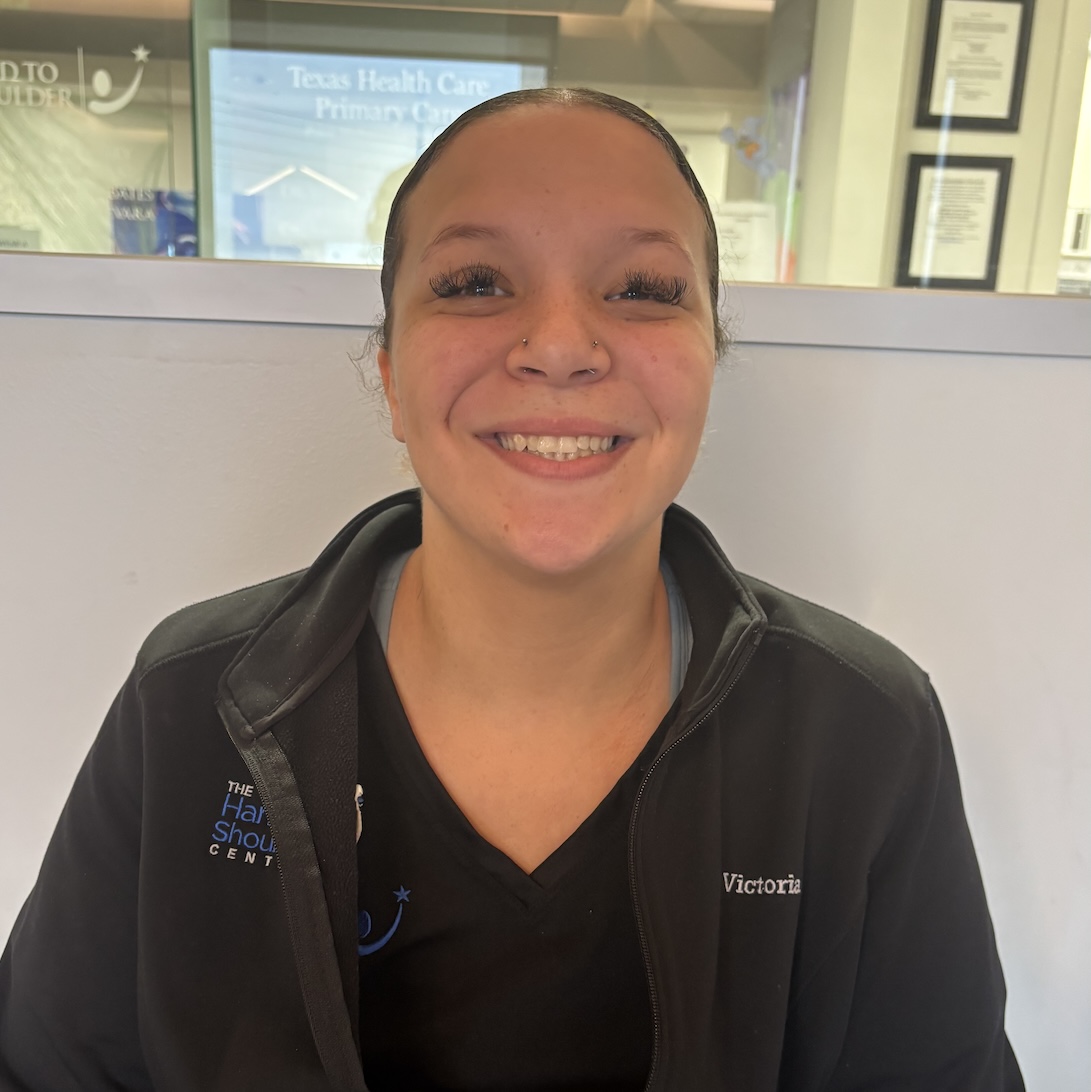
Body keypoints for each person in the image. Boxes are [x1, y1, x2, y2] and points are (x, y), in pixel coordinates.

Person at [0, 88, 1022, 1091]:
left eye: (643, 288)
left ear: (709, 361)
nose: (561, 347)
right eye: (477, 281)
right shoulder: (189, 704)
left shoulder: (861, 730)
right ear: (390, 372)